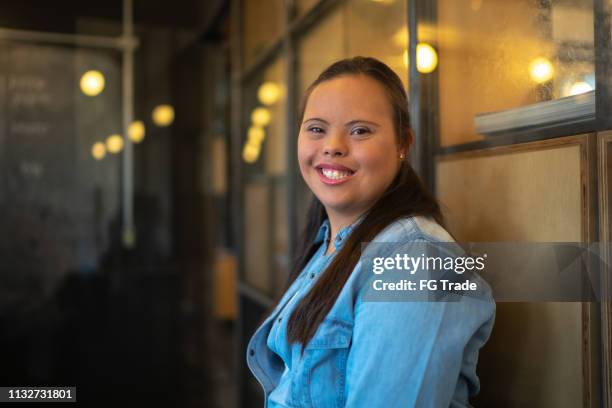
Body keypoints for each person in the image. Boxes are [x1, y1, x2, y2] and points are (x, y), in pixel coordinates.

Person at [246, 56, 495, 407]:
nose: (332, 146)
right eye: (316, 128)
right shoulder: (328, 243)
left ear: (402, 144)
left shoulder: (417, 262)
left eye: (360, 130)